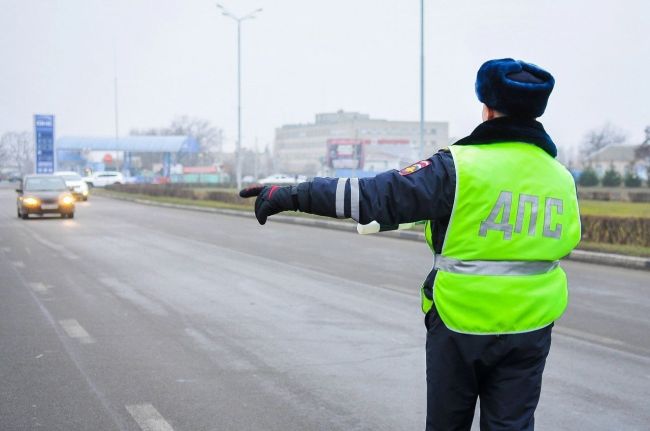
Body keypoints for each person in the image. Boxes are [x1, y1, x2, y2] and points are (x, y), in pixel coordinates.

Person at [240, 58, 581, 431]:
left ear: (487, 109)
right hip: (531, 326)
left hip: (460, 321)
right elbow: (562, 240)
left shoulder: (458, 166)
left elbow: (369, 196)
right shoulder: (560, 177)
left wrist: (289, 194)